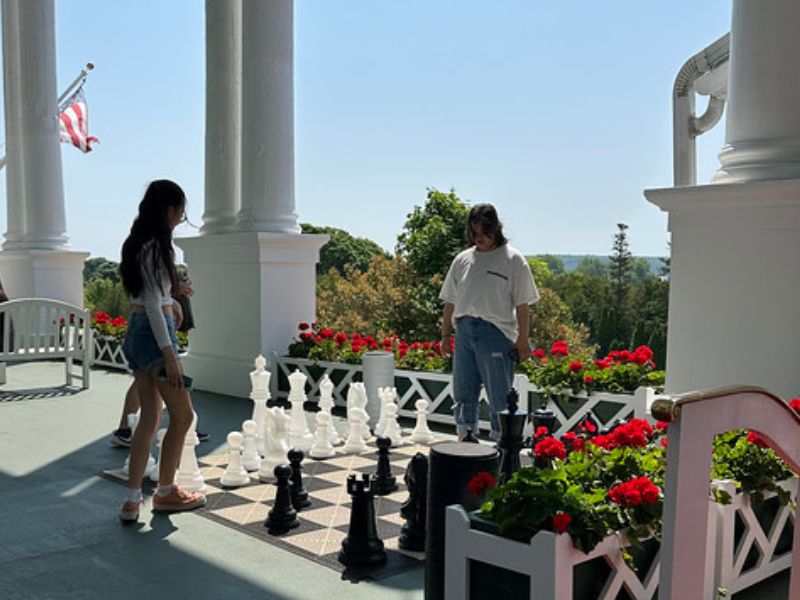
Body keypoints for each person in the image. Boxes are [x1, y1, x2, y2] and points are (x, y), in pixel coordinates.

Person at [117, 179, 205, 522]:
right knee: (183, 416)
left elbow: (150, 296)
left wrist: (174, 296)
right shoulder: (157, 247)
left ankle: (132, 500)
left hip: (136, 333)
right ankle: (166, 492)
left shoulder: (138, 243)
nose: (180, 218)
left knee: (150, 419)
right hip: (154, 337)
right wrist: (170, 355)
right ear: (169, 210)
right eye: (181, 213)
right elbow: (153, 305)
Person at [439, 204, 539, 442]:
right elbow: (450, 301)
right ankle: (465, 438)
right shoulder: (462, 260)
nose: (479, 238)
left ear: (496, 228)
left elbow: (522, 305)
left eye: (484, 232)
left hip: (496, 333)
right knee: (464, 391)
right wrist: (445, 336)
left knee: (499, 394)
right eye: (474, 233)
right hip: (463, 330)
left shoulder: (513, 259)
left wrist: (522, 340)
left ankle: (500, 444)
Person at [110, 280, 209, 447]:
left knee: (146, 398)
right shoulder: (153, 256)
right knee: (169, 391)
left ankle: (125, 430)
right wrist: (170, 355)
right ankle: (186, 428)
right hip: (154, 327)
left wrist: (172, 299)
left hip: (147, 324)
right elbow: (152, 298)